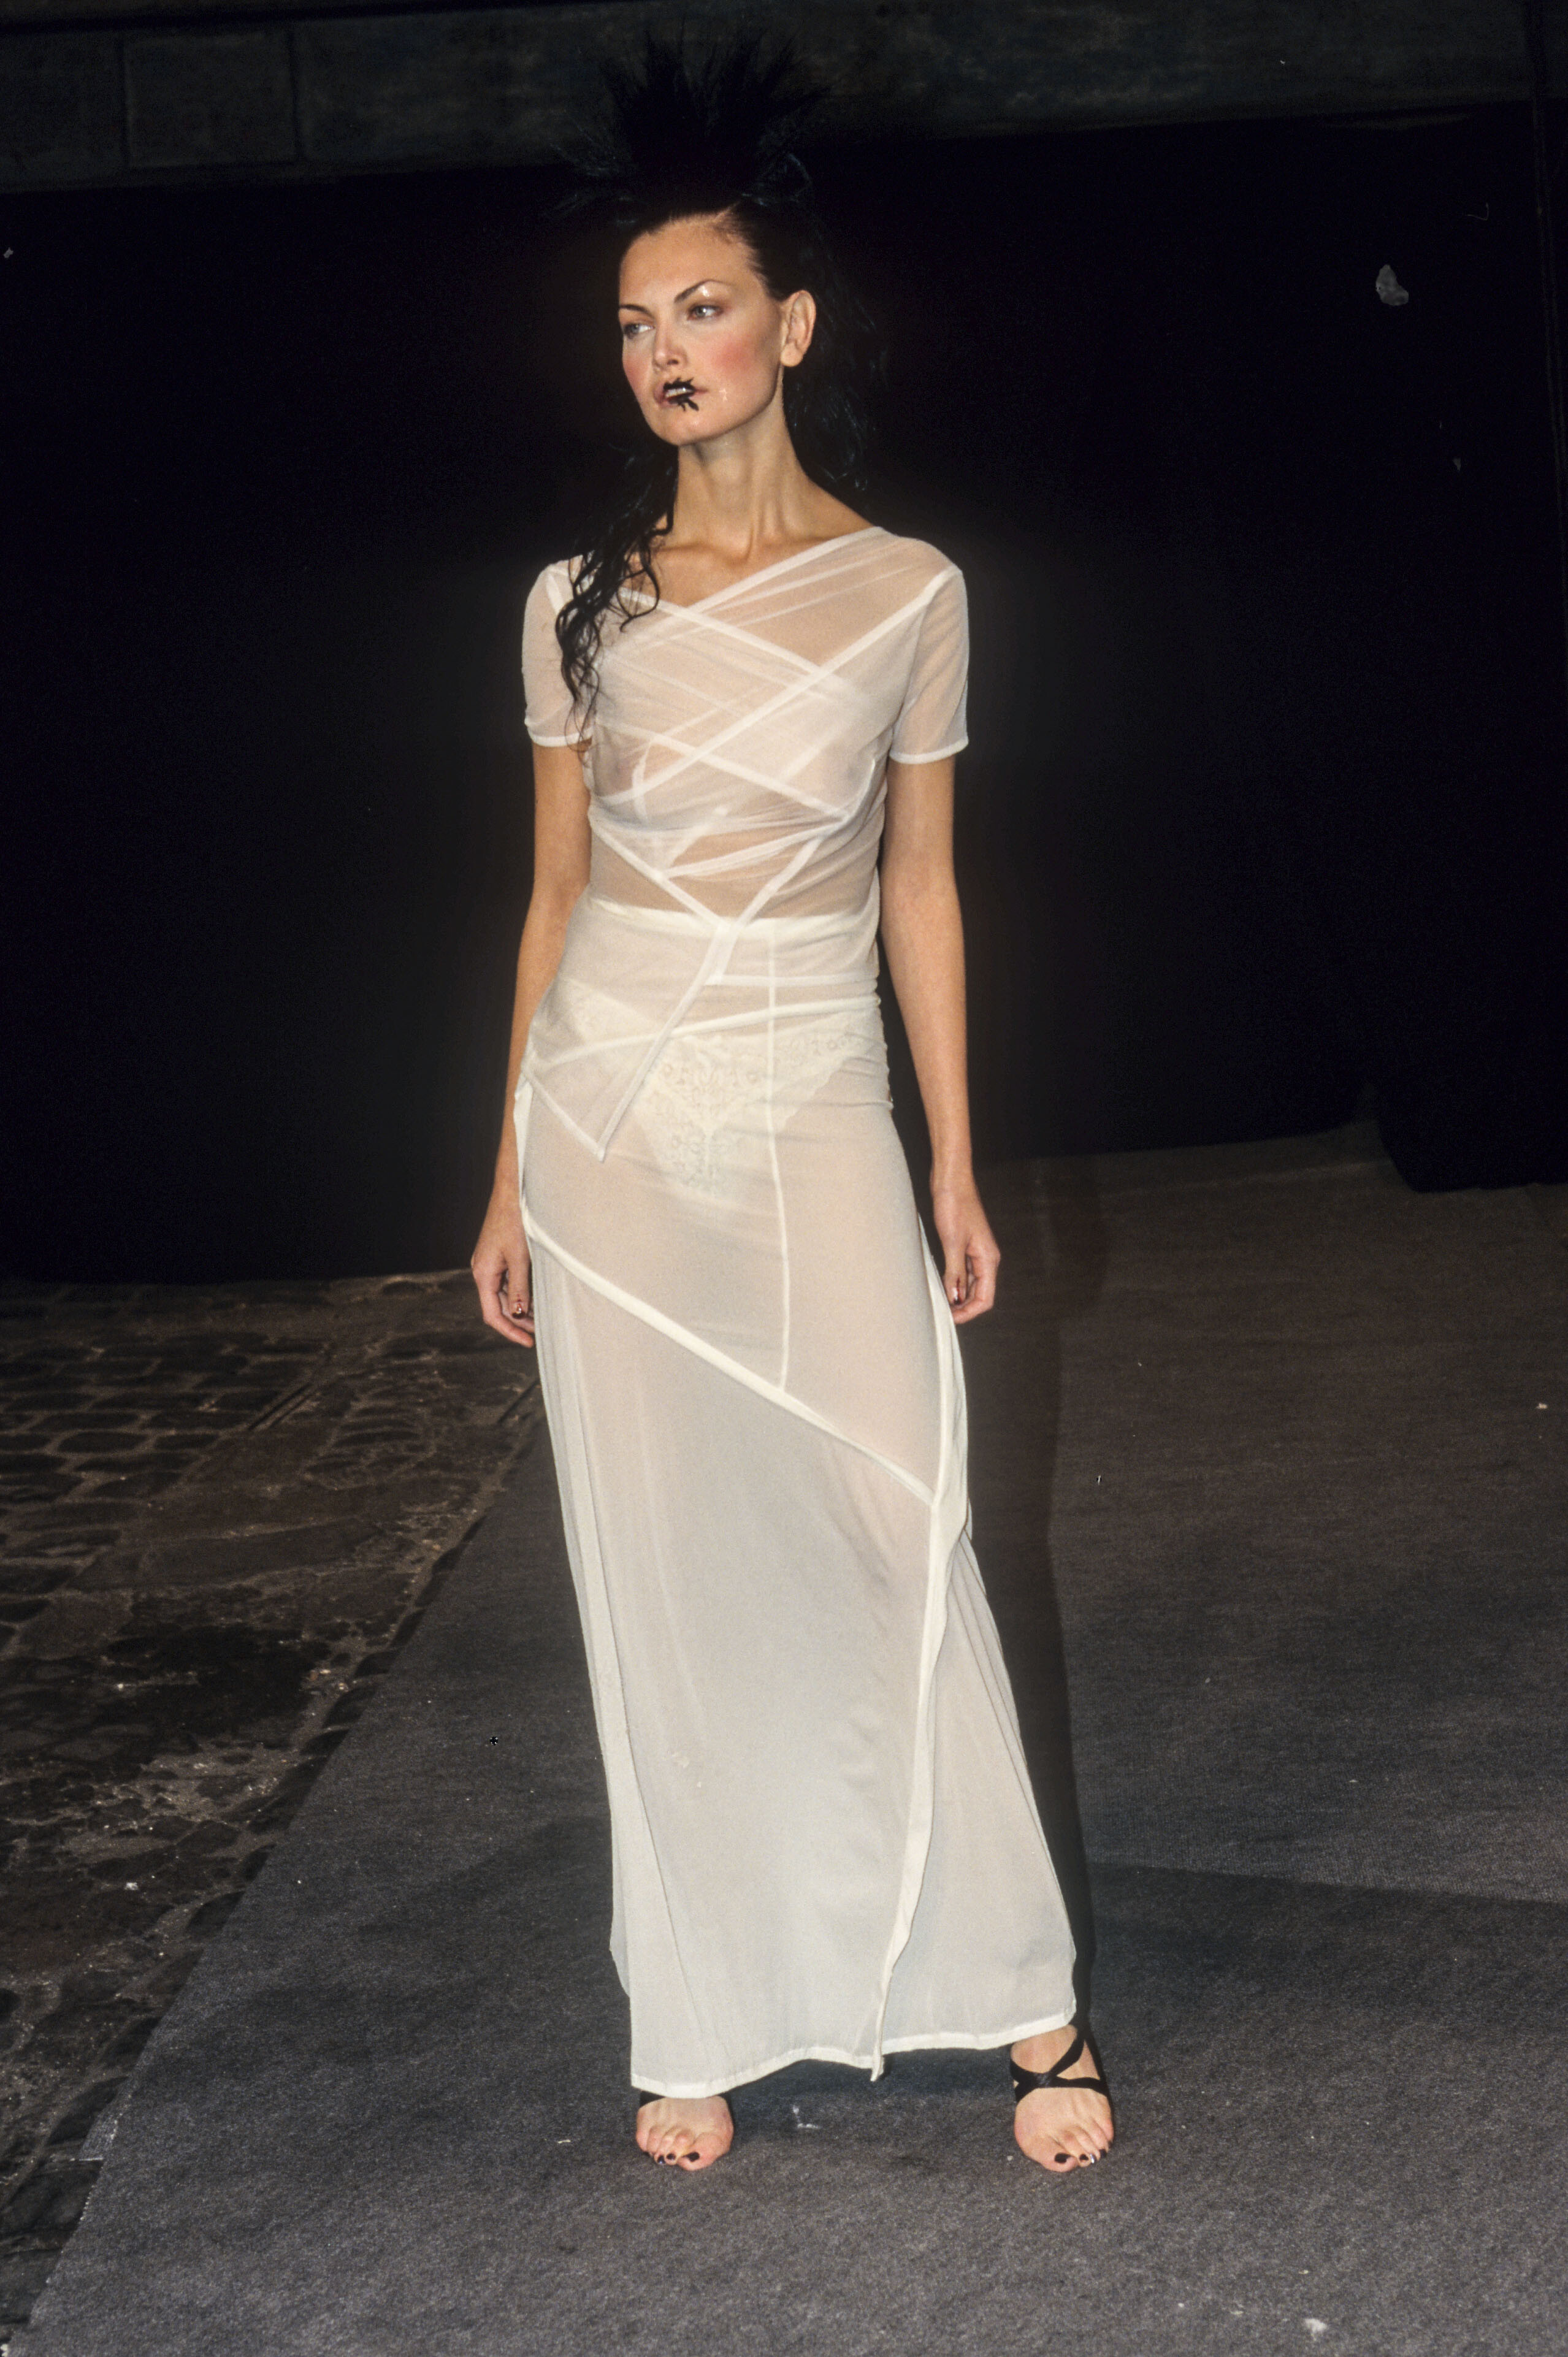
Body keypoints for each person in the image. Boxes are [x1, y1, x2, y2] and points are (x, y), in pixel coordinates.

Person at [470, 38, 1114, 2177]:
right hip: (612, 1121)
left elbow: (922, 885)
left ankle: (1019, 1987)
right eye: (634, 323)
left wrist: (955, 1154)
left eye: (704, 308)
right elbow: (552, 898)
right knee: (660, 1564)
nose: (665, 350)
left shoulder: (913, 590)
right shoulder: (574, 606)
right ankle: (707, 1999)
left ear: (793, 327)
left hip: (818, 1090)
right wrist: (505, 1171)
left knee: (892, 1511)